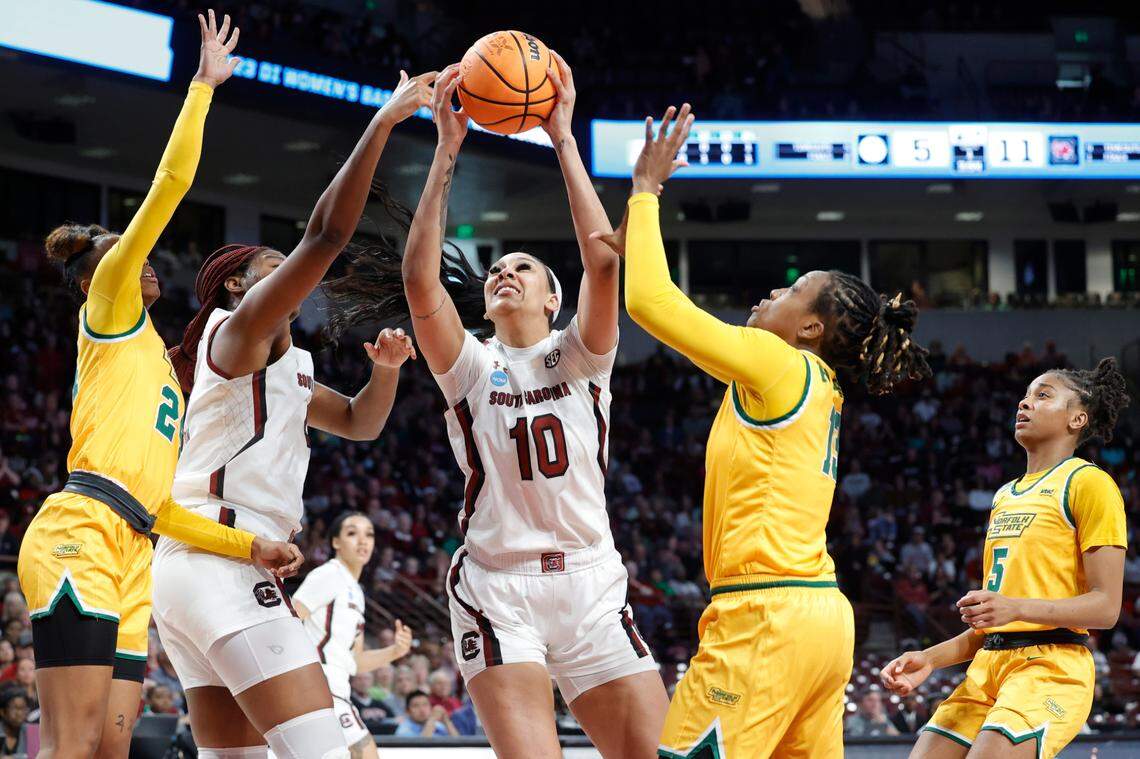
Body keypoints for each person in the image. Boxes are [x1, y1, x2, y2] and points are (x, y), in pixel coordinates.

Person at [322, 56, 668, 759]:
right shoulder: (473, 366)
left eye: (525, 268)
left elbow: (604, 261)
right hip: (497, 586)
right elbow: (421, 282)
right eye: (496, 269)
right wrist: (447, 151)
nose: (505, 272)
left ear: (553, 300)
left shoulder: (583, 354)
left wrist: (562, 137)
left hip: (591, 578)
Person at [597, 104, 931, 758]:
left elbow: (652, 304)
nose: (774, 291)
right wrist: (636, 241)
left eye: (792, 289)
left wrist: (645, 193)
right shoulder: (818, 387)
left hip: (764, 616)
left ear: (811, 328)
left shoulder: (781, 363)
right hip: (819, 620)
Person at [15, 13, 301, 758]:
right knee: (71, 744)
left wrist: (250, 546)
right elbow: (170, 186)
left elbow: (165, 505)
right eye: (128, 252)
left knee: (111, 749)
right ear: (97, 273)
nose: (146, 259)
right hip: (81, 530)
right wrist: (203, 88)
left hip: (135, 544)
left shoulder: (155, 357)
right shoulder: (106, 305)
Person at [150, 63, 431, 758]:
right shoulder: (236, 332)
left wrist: (386, 372)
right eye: (274, 265)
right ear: (239, 285)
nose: (292, 274)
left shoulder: (290, 364)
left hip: (202, 569)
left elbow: (363, 422)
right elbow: (328, 236)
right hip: (223, 558)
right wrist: (383, 121)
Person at [882, 358, 1131, 759]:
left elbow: (1105, 608)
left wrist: (1014, 607)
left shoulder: (1089, 484)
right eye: (1025, 395)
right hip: (988, 665)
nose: (1024, 403)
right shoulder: (1004, 496)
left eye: (1043, 395)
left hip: (1052, 665)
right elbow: (990, 624)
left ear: (1078, 418)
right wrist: (929, 659)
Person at [293, 512, 415, 758]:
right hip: (320, 685)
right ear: (336, 542)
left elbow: (356, 661)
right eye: (352, 533)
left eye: (369, 534)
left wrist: (395, 652)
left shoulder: (355, 591)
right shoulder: (328, 574)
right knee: (365, 752)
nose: (363, 541)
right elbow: (290, 619)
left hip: (338, 684)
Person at [393, 691, 458, 738]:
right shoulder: (403, 731)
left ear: (430, 707)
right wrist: (432, 719)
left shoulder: (439, 725)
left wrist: (446, 721)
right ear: (408, 711)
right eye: (416, 706)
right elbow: (422, 750)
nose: (422, 710)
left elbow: (459, 745)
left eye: (425, 704)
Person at [0, 687, 28, 757]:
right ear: (2, 712)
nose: (19, 713)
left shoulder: (31, 732)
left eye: (23, 708)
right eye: (14, 708)